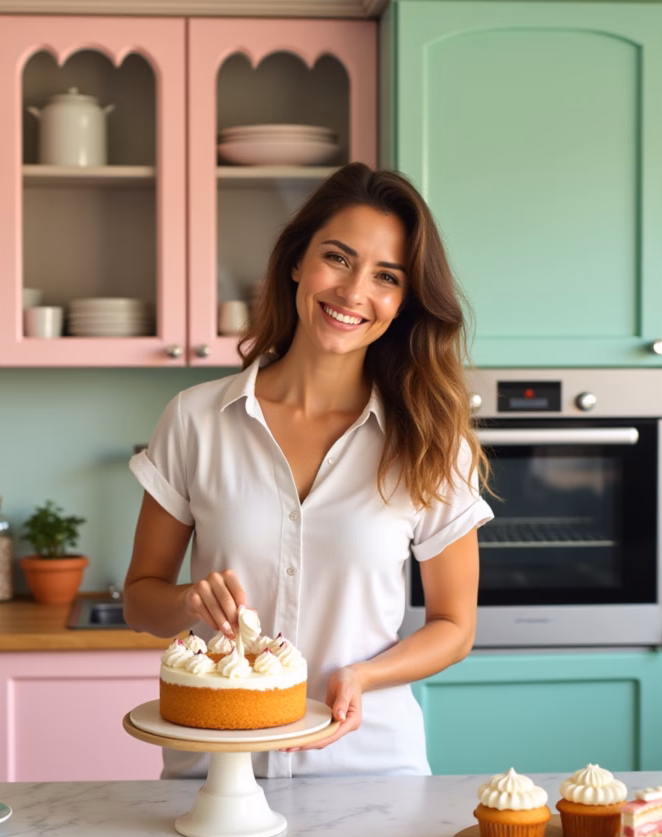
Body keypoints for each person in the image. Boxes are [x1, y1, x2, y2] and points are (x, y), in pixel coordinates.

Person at [122, 162, 492, 779]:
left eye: (386, 276)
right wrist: (189, 600)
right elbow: (140, 602)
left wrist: (366, 675)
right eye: (338, 258)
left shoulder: (429, 439)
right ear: (298, 261)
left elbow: (455, 627)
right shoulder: (195, 419)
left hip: (369, 773)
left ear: (402, 302)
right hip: (215, 775)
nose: (353, 293)